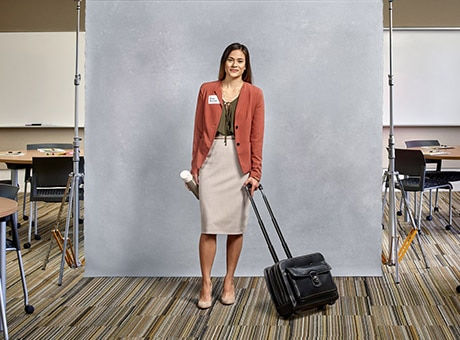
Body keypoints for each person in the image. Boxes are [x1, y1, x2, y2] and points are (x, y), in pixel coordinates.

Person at [190, 42, 265, 309]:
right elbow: (199, 130)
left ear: (246, 66)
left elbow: (257, 136)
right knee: (209, 226)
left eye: (240, 61)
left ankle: (229, 281)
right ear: (224, 62)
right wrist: (195, 165)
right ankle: (206, 283)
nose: (235, 65)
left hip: (238, 164)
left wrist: (255, 172)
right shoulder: (206, 90)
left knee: (235, 226)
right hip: (211, 161)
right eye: (231, 60)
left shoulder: (255, 94)